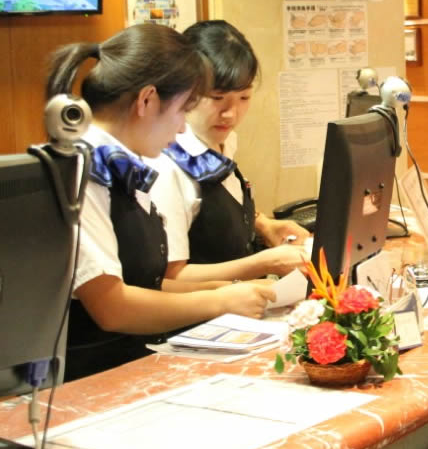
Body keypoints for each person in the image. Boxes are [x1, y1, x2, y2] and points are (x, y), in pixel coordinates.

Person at [45, 23, 275, 381]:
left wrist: (222, 289)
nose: (183, 129)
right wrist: (221, 301)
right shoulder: (83, 169)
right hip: (91, 376)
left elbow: (146, 280)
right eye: (184, 110)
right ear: (147, 100)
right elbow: (112, 307)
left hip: (138, 363)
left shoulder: (123, 163)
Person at [146, 20, 309, 283]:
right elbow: (170, 277)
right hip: (198, 318)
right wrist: (265, 263)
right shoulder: (169, 164)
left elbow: (220, 208)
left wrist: (265, 225)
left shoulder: (223, 140)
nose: (231, 113)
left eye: (244, 98)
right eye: (217, 98)